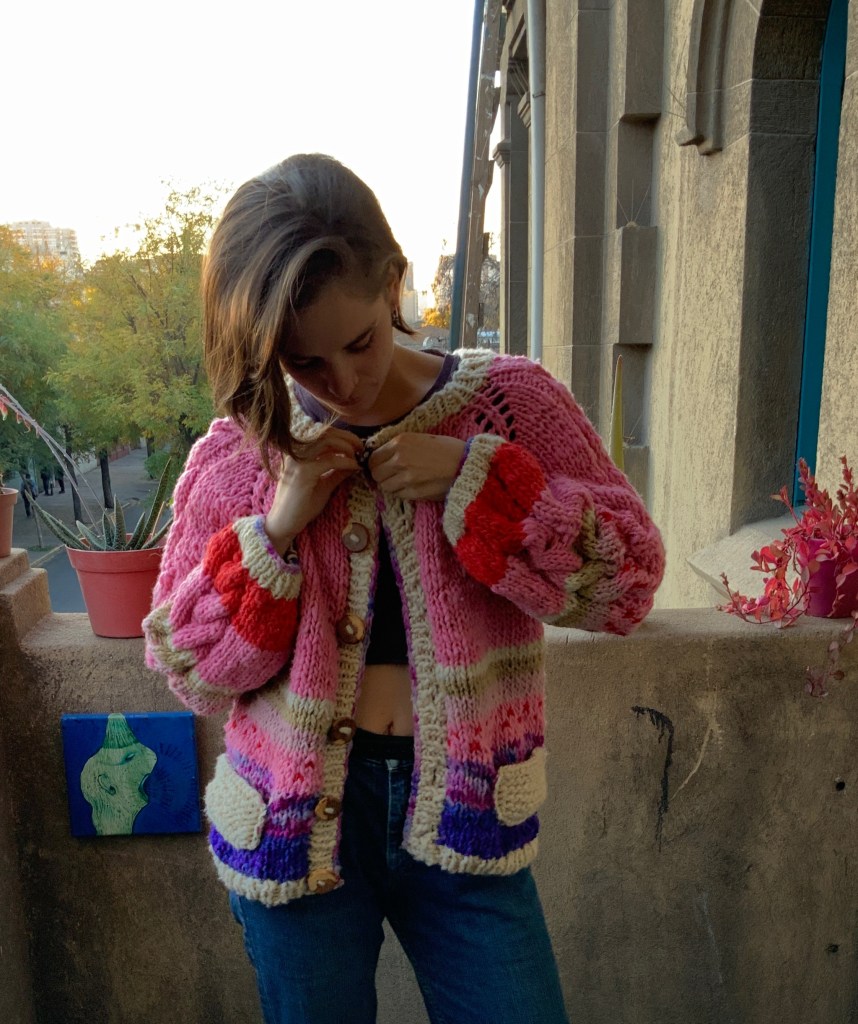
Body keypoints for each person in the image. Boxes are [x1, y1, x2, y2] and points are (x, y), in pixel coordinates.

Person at [142, 154, 665, 1024]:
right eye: (305, 362)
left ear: (393, 284)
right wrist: (275, 531)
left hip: (468, 809)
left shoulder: (509, 405)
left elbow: (630, 583)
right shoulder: (242, 452)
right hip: (292, 826)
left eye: (359, 342)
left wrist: (478, 481)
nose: (344, 382)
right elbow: (190, 671)